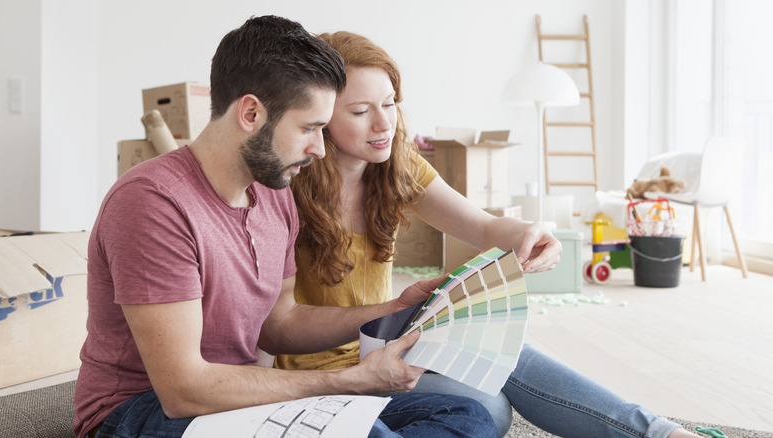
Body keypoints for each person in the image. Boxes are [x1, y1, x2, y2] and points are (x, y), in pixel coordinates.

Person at [73, 16, 498, 438]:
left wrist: (393, 309)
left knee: (467, 415)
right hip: (139, 412)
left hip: (241, 396)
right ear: (252, 112)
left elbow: (281, 325)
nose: (318, 147)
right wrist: (353, 381)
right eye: (309, 128)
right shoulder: (153, 202)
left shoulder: (274, 193)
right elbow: (183, 390)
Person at [279, 31, 701, 438]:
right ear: (321, 116)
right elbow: (277, 326)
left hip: (393, 347)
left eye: (389, 104)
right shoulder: (286, 189)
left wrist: (528, 233)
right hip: (323, 376)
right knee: (485, 410)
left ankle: (661, 433)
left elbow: (481, 226)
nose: (383, 123)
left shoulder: (397, 167)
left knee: (493, 400)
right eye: (360, 111)